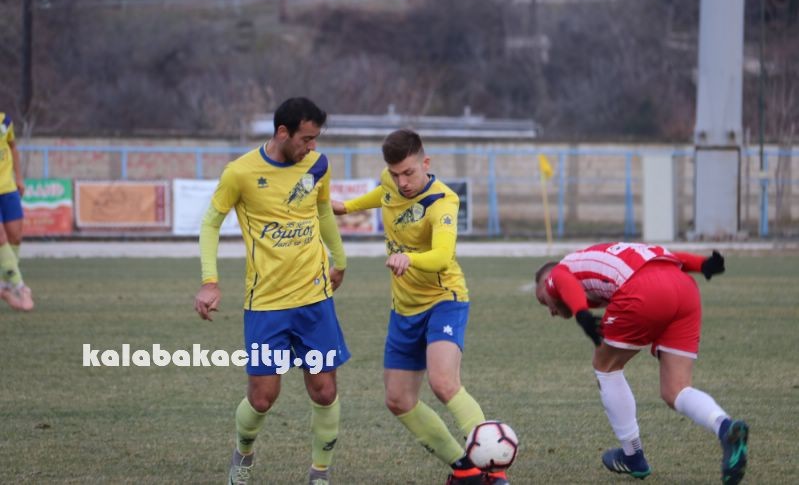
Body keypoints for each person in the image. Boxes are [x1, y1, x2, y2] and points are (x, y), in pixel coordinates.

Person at [333, 129, 504, 485]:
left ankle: (495, 468)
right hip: (403, 309)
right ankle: (465, 469)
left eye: (409, 173)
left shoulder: (443, 201)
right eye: (395, 174)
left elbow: (442, 256)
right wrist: (347, 207)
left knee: (443, 383)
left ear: (425, 163)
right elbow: (383, 194)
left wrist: (408, 258)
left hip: (444, 300)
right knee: (398, 400)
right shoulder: (391, 181)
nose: (402, 182)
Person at [193, 97, 349, 485]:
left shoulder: (318, 165)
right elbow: (211, 224)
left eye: (316, 139)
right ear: (283, 132)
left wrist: (340, 259)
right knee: (262, 398)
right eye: (306, 138)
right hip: (266, 305)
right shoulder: (240, 173)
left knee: (324, 391)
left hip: (314, 301)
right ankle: (243, 454)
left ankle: (320, 473)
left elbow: (323, 211)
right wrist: (210, 281)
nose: (312, 146)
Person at [533, 242, 749, 484]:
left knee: (605, 367)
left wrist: (581, 313)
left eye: (543, 300)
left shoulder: (560, 270)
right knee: (676, 390)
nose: (550, 310)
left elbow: (560, 279)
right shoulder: (602, 261)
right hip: (684, 289)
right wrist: (702, 264)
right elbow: (667, 256)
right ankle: (725, 428)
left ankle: (632, 456)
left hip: (644, 288)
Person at [0, 112, 33, 311]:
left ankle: (4, 286)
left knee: (15, 237)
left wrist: (19, 178)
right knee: (1, 238)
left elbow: (12, 147)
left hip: (8, 189)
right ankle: (21, 287)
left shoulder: (4, 121)